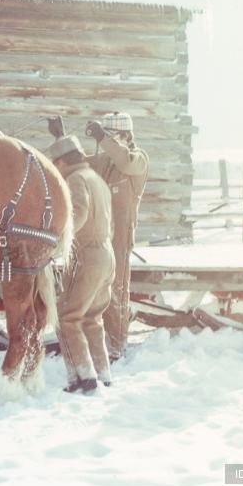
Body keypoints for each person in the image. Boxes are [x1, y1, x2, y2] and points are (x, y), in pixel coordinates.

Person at [46, 134, 115, 393]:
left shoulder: (75, 180)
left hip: (86, 256)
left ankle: (85, 377)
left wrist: (56, 243)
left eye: (55, 164)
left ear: (62, 162)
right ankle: (103, 373)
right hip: (106, 254)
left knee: (67, 317)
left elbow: (78, 213)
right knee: (92, 317)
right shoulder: (97, 179)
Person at [86, 113, 149, 361]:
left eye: (112, 137)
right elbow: (77, 162)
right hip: (100, 232)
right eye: (106, 137)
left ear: (126, 136)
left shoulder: (138, 159)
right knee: (97, 287)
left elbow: (125, 162)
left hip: (122, 233)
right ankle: (99, 341)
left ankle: (117, 346)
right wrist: (61, 138)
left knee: (117, 289)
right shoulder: (105, 161)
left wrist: (102, 137)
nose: (107, 142)